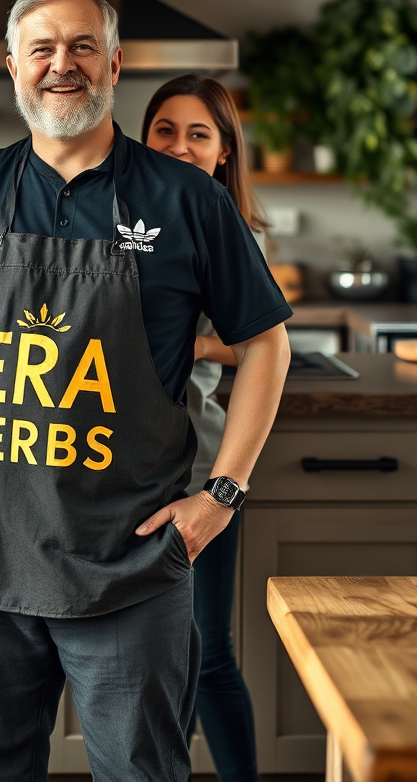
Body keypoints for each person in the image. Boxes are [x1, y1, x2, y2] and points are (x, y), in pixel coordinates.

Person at [0, 0, 291, 782]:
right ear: (14, 66)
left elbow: (265, 343)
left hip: (129, 559)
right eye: (44, 48)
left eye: (84, 46)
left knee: (141, 771)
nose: (65, 64)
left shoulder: (188, 198)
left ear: (116, 64)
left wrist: (221, 495)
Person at [142, 73, 269, 782]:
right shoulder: (128, 220)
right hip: (120, 472)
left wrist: (187, 345)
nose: (181, 147)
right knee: (160, 658)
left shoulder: (227, 225)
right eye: (165, 131)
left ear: (224, 152)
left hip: (199, 475)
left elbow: (260, 338)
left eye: (199, 134)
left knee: (206, 651)